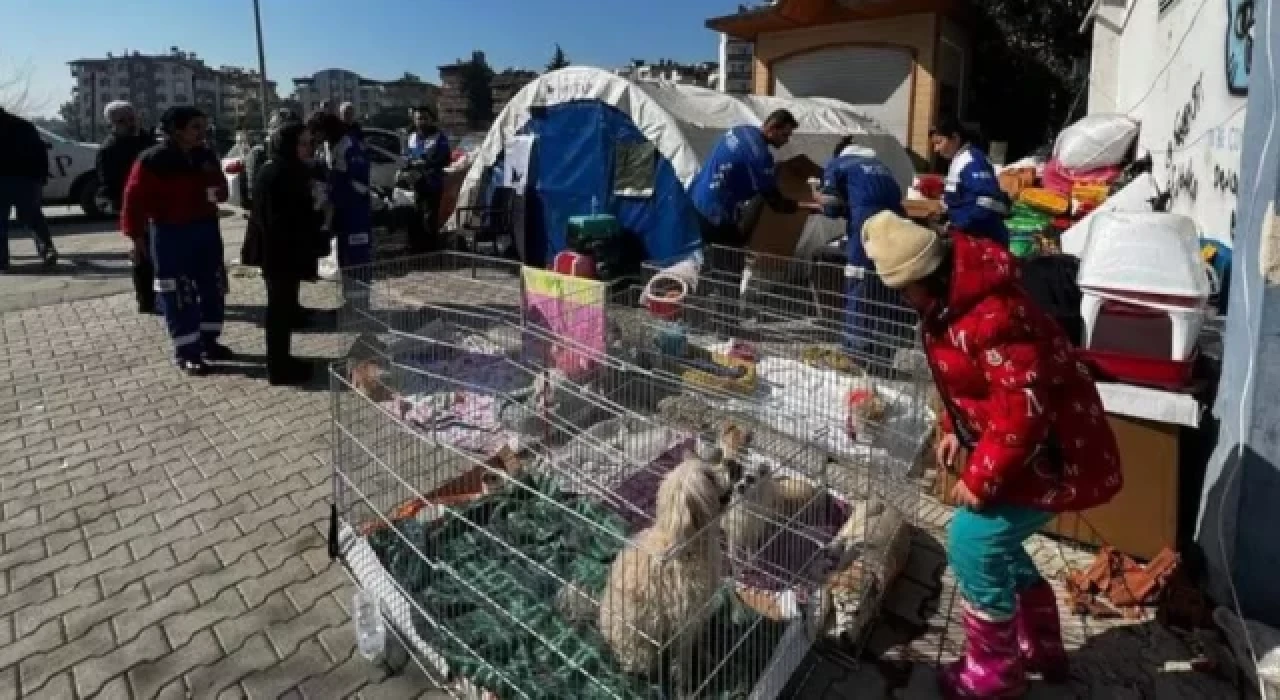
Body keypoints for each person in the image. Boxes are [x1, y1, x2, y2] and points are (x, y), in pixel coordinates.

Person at [860, 211, 1123, 698]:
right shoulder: (948, 307)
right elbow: (966, 384)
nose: (902, 300)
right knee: (992, 538)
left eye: (902, 290)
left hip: (1054, 451)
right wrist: (954, 428)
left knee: (970, 538)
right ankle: (1039, 635)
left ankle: (995, 669)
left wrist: (979, 479)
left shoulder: (992, 316)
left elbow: (1024, 409)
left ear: (923, 277)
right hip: (1027, 448)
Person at [121, 106, 231, 376]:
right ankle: (187, 352)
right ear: (176, 130)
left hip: (206, 229)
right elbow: (133, 201)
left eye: (204, 126)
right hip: (170, 234)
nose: (202, 132)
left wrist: (217, 192)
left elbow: (222, 190)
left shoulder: (205, 155)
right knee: (178, 292)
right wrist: (136, 238)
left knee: (212, 286)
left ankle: (209, 341)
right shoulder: (152, 160)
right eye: (196, 127)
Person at [241, 122, 326, 386]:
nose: (308, 147)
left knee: (285, 309)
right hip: (278, 254)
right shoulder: (276, 172)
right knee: (278, 312)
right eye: (303, 142)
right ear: (289, 144)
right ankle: (278, 368)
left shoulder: (290, 170)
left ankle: (284, 360)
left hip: (286, 252)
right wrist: (314, 211)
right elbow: (276, 220)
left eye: (310, 142)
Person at [814, 136, 908, 358]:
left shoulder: (837, 164)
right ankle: (886, 349)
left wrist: (819, 200)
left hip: (864, 227)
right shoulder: (881, 167)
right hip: (893, 225)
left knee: (858, 280)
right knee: (886, 280)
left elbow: (832, 204)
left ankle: (855, 347)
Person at [688, 109, 820, 248]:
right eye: (784, 135)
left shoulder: (741, 130)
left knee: (707, 258)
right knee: (729, 261)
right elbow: (778, 204)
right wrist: (810, 206)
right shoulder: (761, 157)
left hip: (695, 198)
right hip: (714, 214)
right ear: (772, 128)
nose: (786, 141)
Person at [97, 101, 158, 313]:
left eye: (131, 118)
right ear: (112, 123)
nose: (129, 123)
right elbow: (109, 184)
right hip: (134, 207)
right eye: (122, 120)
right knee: (142, 253)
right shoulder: (109, 149)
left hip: (157, 204)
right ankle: (146, 300)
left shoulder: (148, 140)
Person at [311, 111, 372, 301]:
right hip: (343, 211)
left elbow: (359, 183)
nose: (314, 137)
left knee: (357, 259)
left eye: (316, 132)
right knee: (344, 258)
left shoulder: (349, 146)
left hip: (356, 212)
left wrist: (332, 190)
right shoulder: (331, 146)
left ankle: (361, 306)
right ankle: (349, 302)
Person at [930, 115, 1011, 246]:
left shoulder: (972, 161)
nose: (936, 149)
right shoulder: (959, 160)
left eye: (939, 142)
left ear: (955, 138)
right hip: (971, 236)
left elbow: (986, 202)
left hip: (983, 241)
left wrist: (961, 224)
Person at [0, 105, 59, 270]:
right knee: (33, 217)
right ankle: (46, 249)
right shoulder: (23, 125)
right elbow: (40, 151)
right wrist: (41, 177)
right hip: (27, 179)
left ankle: (2, 260)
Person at [404, 105, 450, 253]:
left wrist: (427, 163)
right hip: (416, 184)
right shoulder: (411, 137)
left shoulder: (439, 137)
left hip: (433, 184)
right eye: (419, 118)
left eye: (425, 118)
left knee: (430, 218)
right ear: (414, 120)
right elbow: (406, 157)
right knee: (415, 217)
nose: (422, 121)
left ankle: (431, 251)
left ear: (431, 119)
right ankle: (417, 249)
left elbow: (444, 158)